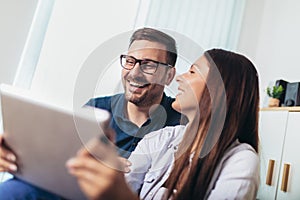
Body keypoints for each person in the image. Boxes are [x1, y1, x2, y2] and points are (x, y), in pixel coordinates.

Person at [0, 28, 185, 199]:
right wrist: (18, 154)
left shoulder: (181, 125)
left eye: (148, 65)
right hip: (75, 193)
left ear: (168, 76)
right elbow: (64, 164)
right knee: (15, 190)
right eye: (129, 61)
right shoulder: (96, 109)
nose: (134, 73)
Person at [66, 48, 260, 200]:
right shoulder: (158, 140)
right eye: (130, 61)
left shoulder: (240, 161)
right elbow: (127, 184)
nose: (180, 78)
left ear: (220, 89)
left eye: (193, 71)